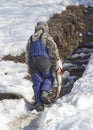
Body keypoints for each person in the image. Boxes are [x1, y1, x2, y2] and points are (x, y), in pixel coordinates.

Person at [25, 21, 62, 111]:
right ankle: (45, 92)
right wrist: (57, 59)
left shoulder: (30, 38)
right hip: (43, 60)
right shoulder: (45, 35)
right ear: (44, 28)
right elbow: (53, 46)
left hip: (32, 62)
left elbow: (27, 54)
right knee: (49, 77)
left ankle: (39, 104)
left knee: (36, 83)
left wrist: (28, 66)